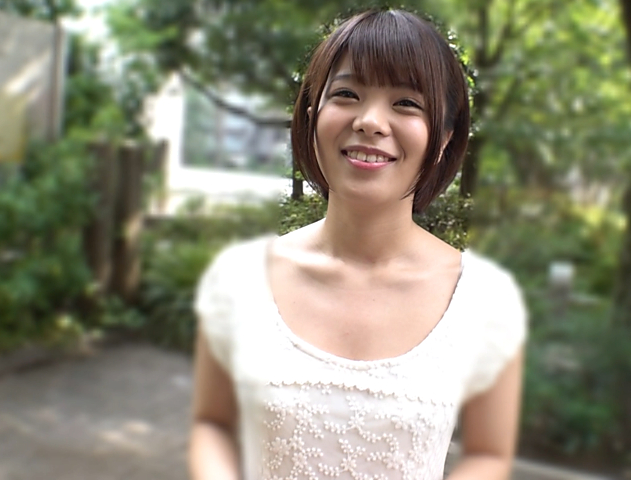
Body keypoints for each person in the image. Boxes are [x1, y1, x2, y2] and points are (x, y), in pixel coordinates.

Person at [189, 8, 528, 480]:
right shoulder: (240, 280)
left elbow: (488, 453)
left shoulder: (484, 298)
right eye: (347, 95)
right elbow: (211, 424)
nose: (370, 121)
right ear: (313, 115)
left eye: (406, 103)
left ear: (445, 138)